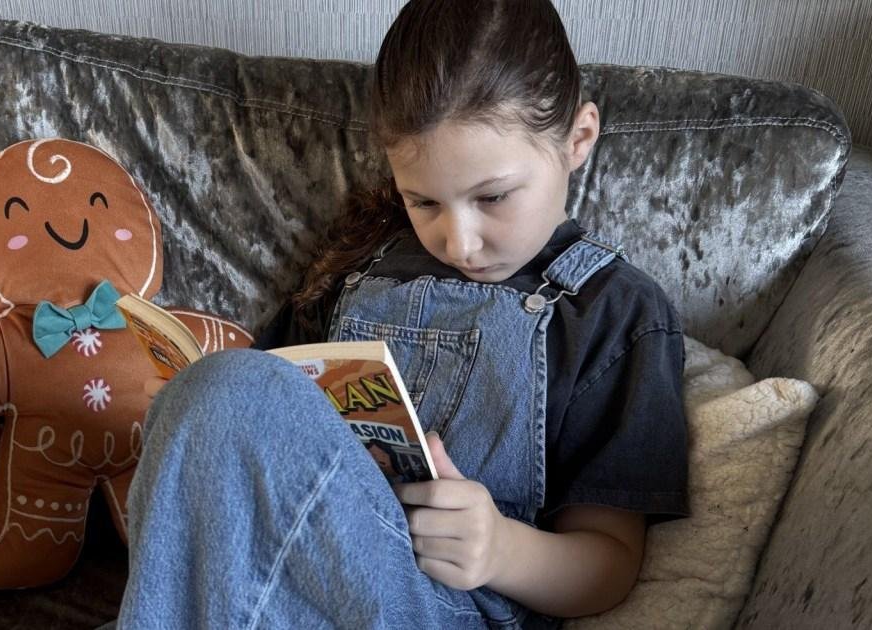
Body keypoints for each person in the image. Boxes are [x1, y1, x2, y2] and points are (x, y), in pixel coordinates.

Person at [114, 1, 687, 628]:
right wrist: (190, 414)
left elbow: (610, 566)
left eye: (493, 197)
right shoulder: (362, 266)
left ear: (578, 139)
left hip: (454, 605)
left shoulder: (616, 311)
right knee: (220, 393)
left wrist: (500, 549)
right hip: (301, 583)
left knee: (234, 391)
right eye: (424, 202)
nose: (459, 242)